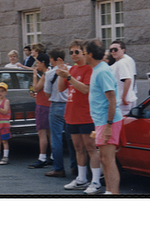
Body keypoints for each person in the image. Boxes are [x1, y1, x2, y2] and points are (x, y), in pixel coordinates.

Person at [57, 39, 102, 194]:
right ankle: (81, 178)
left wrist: (69, 77)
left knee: (90, 147)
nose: (74, 55)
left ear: (84, 52)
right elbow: (61, 88)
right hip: (72, 114)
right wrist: (61, 73)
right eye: (71, 52)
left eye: (77, 52)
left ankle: (95, 181)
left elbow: (85, 89)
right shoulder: (73, 69)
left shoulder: (89, 69)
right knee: (78, 148)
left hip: (86, 115)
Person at [83, 39, 123, 195]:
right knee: (104, 160)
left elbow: (112, 99)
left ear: (90, 55)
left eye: (85, 53)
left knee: (108, 159)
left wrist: (108, 126)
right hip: (102, 121)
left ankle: (114, 193)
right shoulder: (98, 69)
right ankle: (109, 191)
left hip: (107, 122)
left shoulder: (102, 71)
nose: (84, 56)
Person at [43, 47, 77, 178]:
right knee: (72, 138)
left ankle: (58, 168)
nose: (50, 62)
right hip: (69, 105)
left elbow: (47, 93)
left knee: (56, 138)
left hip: (56, 105)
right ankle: (75, 167)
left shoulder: (50, 74)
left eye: (51, 59)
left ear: (56, 59)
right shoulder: (71, 70)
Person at [28, 53, 52, 168]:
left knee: (41, 132)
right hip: (48, 104)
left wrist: (34, 76)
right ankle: (52, 156)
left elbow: (36, 87)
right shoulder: (50, 73)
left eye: (37, 62)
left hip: (42, 106)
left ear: (43, 63)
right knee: (49, 133)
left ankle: (42, 157)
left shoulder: (44, 75)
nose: (36, 65)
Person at [109, 41, 137, 115]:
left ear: (123, 50)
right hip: (127, 99)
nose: (113, 52)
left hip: (124, 102)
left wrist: (123, 98)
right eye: (111, 50)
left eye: (115, 49)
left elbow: (127, 80)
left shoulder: (121, 63)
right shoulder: (124, 61)